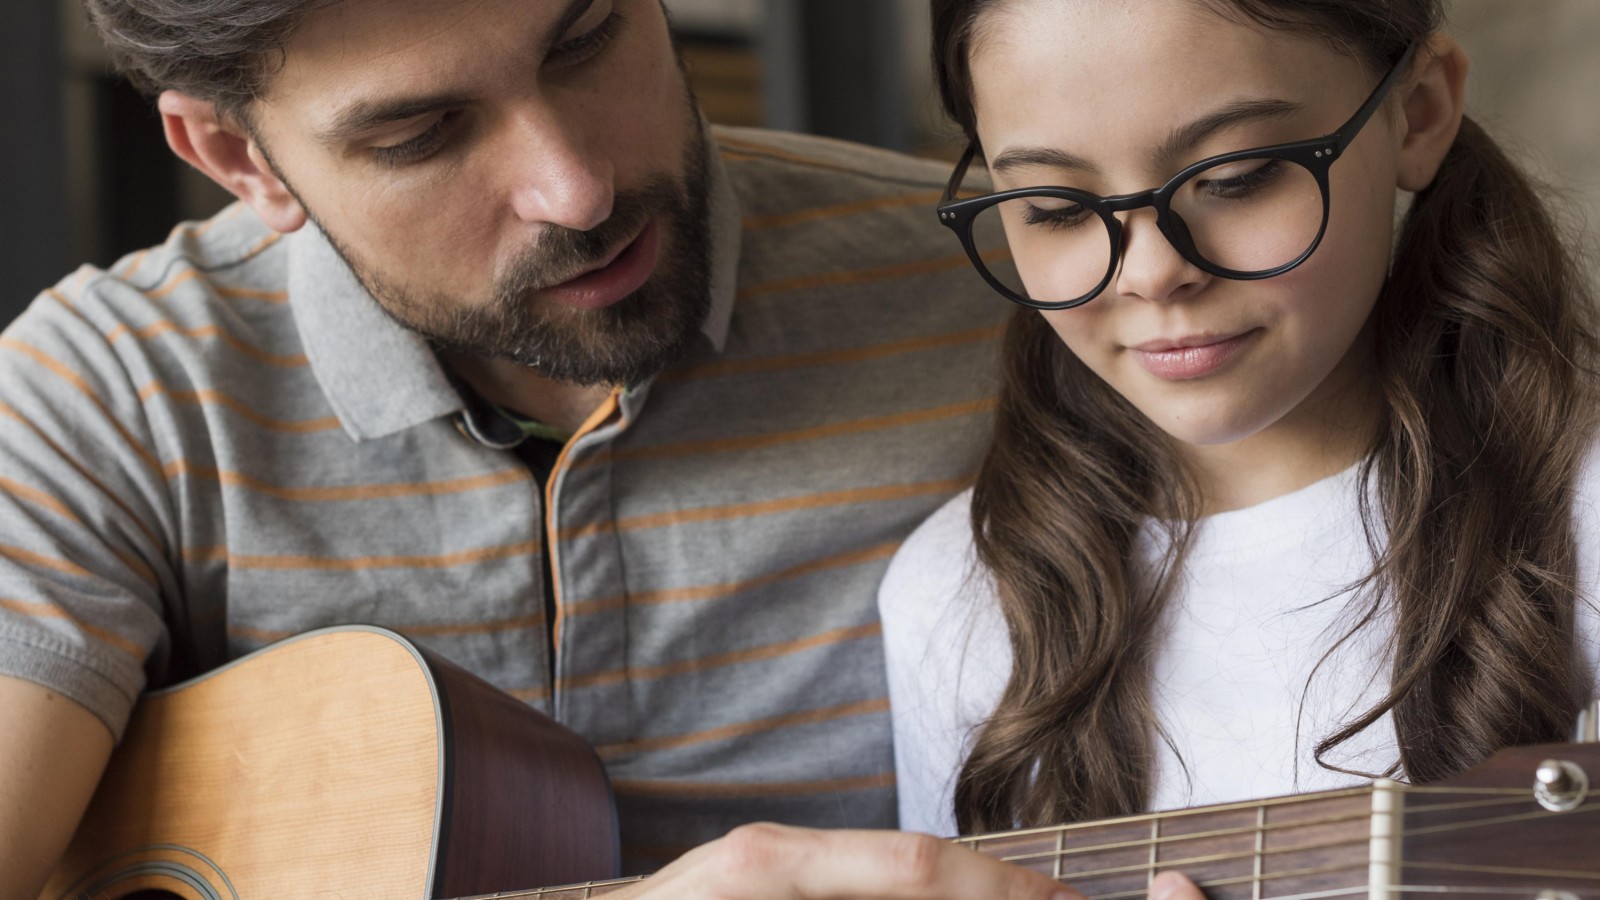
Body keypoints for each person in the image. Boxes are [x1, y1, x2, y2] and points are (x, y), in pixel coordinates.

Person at [0, 1, 1091, 898]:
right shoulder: (108, 396)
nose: (578, 187)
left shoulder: (1032, 296)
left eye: (586, 41)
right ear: (243, 160)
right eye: (419, 133)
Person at [881, 0, 1599, 889]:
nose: (1150, 273)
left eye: (1238, 175)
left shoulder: (1584, 516)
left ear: (1418, 112)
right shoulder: (952, 596)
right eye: (1055, 207)